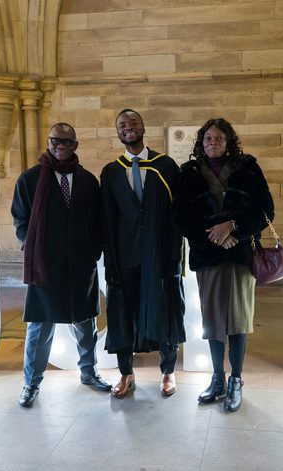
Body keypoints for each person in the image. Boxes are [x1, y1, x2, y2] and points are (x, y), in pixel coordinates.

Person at [173, 117, 274, 412]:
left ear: (229, 141)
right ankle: (218, 378)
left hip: (240, 256)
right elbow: (179, 216)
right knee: (214, 320)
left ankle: (236, 380)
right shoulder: (188, 172)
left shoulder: (248, 167)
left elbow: (266, 209)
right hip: (208, 257)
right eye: (207, 139)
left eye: (218, 138)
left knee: (238, 320)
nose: (212, 143)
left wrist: (233, 227)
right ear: (200, 143)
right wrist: (215, 237)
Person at [11, 123, 111, 408]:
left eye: (67, 141)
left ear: (75, 145)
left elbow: (97, 222)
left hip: (81, 265)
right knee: (40, 329)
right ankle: (31, 384)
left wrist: (92, 251)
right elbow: (20, 219)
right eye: (56, 140)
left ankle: (89, 373)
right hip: (45, 266)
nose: (61, 145)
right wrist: (32, 248)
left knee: (86, 323)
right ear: (48, 141)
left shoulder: (88, 181)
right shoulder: (30, 180)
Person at [101, 109, 186, 399]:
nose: (128, 128)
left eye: (133, 122)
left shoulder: (166, 166)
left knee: (165, 311)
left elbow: (178, 217)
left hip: (159, 255)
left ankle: (168, 372)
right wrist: (109, 262)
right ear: (118, 132)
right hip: (124, 257)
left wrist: (174, 258)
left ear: (143, 127)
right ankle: (126, 374)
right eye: (122, 125)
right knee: (122, 315)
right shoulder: (111, 172)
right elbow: (107, 220)